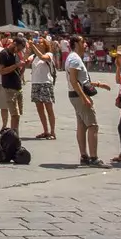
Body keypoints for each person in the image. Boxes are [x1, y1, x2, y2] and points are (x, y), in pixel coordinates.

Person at [66, 38, 101, 167]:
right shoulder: (74, 59)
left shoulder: (73, 57)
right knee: (93, 125)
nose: (85, 44)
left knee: (82, 125)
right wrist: (84, 97)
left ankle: (84, 156)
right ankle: (93, 157)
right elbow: (74, 80)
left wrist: (99, 84)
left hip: (74, 95)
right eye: (82, 42)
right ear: (75, 44)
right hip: (78, 95)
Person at [27, 37, 58, 140]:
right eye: (37, 43)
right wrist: (28, 49)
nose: (38, 44)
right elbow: (26, 59)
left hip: (45, 83)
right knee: (39, 109)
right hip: (35, 83)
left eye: (40, 43)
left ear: (45, 45)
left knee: (49, 109)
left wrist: (33, 46)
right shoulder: (34, 56)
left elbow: (43, 57)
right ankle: (45, 130)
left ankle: (52, 132)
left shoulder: (49, 54)